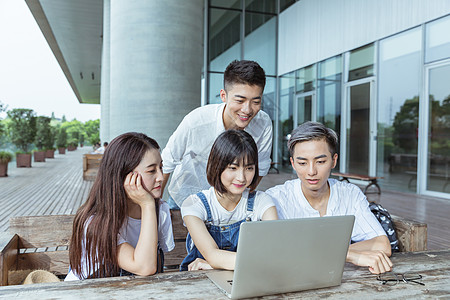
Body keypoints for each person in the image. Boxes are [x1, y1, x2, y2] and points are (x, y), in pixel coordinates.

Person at [266, 122, 393, 274]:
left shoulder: (350, 194)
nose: (311, 171)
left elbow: (382, 244)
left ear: (334, 160)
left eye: (320, 162)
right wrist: (350, 255)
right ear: (292, 163)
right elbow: (273, 254)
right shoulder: (276, 198)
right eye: (302, 163)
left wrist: (337, 254)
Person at [161, 60, 273, 209]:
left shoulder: (263, 124)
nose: (247, 109)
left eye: (255, 101)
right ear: (223, 96)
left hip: (230, 203)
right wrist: (155, 205)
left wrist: (241, 202)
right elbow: (167, 162)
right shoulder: (196, 121)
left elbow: (261, 167)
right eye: (240, 100)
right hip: (186, 199)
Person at [66, 132, 174, 280]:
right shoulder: (95, 223)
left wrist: (148, 206)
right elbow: (145, 267)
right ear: (124, 176)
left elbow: (156, 266)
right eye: (151, 171)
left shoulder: (160, 210)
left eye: (161, 167)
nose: (161, 177)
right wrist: (147, 205)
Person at [180, 130, 277, 271]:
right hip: (199, 282)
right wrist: (260, 261)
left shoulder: (263, 202)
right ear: (217, 165)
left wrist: (211, 265)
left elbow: (275, 252)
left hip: (248, 281)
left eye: (249, 168)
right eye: (233, 168)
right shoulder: (194, 205)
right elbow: (212, 255)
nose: (241, 177)